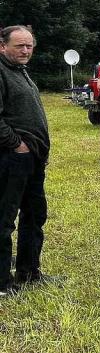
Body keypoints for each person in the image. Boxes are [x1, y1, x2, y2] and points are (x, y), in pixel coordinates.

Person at [0, 25, 52, 297]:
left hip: (32, 158)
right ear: (2, 46)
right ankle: (1, 283)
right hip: (10, 158)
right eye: (19, 45)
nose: (26, 50)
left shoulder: (20, 70)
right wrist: (16, 144)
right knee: (4, 218)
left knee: (35, 215)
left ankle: (29, 272)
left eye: (29, 45)